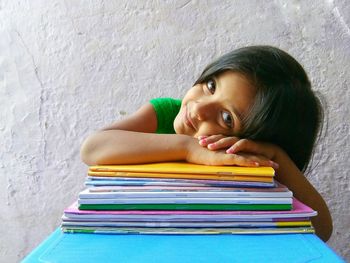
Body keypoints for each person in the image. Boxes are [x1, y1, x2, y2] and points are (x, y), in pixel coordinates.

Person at [80, 45, 333, 241]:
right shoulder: (165, 114)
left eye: (226, 118)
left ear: (247, 143)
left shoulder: (239, 158)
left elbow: (321, 230)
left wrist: (279, 158)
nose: (199, 108)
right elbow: (93, 148)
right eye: (211, 86)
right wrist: (187, 147)